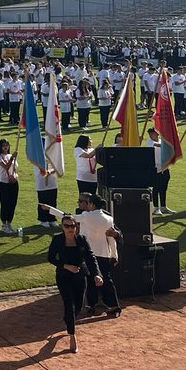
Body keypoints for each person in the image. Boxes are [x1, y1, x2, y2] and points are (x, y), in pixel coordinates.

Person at [41, 195, 123, 318]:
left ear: (92, 204)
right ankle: (114, 305)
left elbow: (68, 218)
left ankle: (92, 305)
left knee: (90, 280)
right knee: (106, 280)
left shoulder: (86, 216)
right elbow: (110, 238)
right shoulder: (109, 218)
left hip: (89, 253)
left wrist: (50, 209)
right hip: (104, 253)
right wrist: (113, 254)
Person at [47, 214, 103, 354]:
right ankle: (72, 335)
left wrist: (97, 274)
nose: (70, 229)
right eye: (67, 226)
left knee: (78, 306)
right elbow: (50, 258)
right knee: (69, 304)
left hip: (80, 277)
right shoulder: (58, 240)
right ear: (62, 227)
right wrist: (65, 266)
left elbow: (90, 257)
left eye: (72, 226)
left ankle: (68, 318)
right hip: (64, 277)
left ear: (76, 227)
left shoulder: (82, 240)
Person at [0, 139, 20, 235]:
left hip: (13, 182)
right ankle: (4, 224)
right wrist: (11, 158)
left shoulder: (11, 156)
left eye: (7, 145)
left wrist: (15, 177)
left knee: (13, 203)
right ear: (0, 147)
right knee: (5, 203)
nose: (6, 147)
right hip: (3, 183)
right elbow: (5, 167)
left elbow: (14, 169)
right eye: (4, 145)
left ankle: (9, 223)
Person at [73, 135, 98, 202]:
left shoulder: (91, 150)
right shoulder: (78, 149)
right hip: (83, 178)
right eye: (90, 140)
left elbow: (95, 160)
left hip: (93, 178)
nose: (91, 141)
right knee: (84, 199)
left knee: (92, 199)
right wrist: (97, 149)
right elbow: (88, 155)